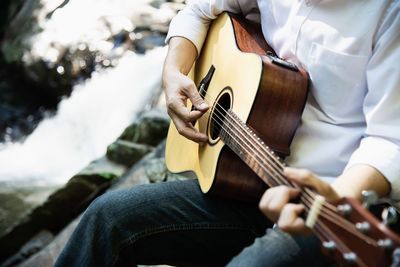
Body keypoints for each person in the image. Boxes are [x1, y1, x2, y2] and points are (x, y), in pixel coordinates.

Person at [54, 1, 400, 266]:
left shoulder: (389, 12)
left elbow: (391, 140)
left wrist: (336, 196)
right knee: (108, 217)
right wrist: (174, 71)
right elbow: (198, 10)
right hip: (246, 182)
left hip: (320, 207)